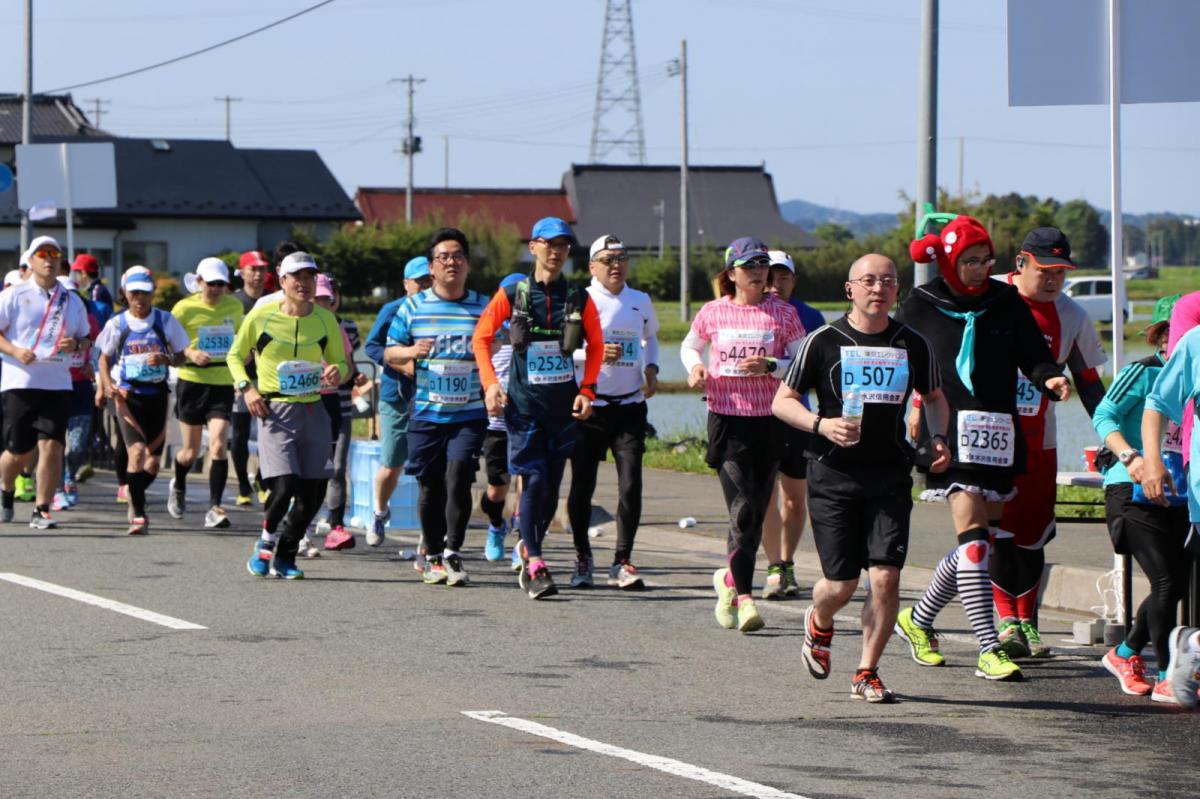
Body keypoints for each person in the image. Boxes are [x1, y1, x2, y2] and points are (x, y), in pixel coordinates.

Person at [893, 215, 1068, 682]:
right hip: (945, 430)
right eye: (969, 261)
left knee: (981, 547)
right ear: (949, 260)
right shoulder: (922, 302)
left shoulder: (1005, 300)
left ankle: (918, 619)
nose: (978, 269)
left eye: (985, 260)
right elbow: (895, 351)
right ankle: (988, 648)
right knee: (972, 540)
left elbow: (1031, 352)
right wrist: (910, 405)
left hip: (996, 430)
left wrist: (1048, 375)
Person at [773, 253, 949, 702]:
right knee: (840, 585)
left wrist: (940, 436)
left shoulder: (913, 343)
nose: (878, 288)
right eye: (868, 281)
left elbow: (933, 397)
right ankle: (820, 620)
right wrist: (820, 425)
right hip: (832, 473)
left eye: (888, 281)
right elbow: (783, 401)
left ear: (897, 290)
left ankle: (866, 671)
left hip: (889, 474)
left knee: (886, 578)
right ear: (849, 289)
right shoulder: (822, 341)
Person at [472, 216, 604, 600]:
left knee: (550, 487)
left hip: (562, 406)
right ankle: (535, 562)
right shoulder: (513, 293)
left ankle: (529, 545)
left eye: (563, 245)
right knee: (532, 480)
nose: (557, 251)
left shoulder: (580, 298)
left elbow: (595, 346)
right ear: (533, 247)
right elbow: (481, 339)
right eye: (550, 244)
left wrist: (589, 390)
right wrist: (491, 385)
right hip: (524, 405)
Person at [681, 236, 806, 632]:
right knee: (745, 510)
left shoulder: (782, 314)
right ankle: (748, 598)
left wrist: (772, 364)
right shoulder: (713, 312)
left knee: (756, 505)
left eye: (762, 265)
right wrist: (695, 369)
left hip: (770, 419)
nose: (757, 272)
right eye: (749, 266)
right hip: (727, 419)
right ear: (732, 272)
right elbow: (689, 346)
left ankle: (729, 581)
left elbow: (803, 362)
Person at [992, 228, 1107, 659]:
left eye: (1061, 271)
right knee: (998, 531)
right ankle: (1005, 621)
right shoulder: (990, 296)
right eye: (1045, 270)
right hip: (991, 438)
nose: (1054, 279)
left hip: (1042, 441)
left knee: (1034, 535)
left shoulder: (1072, 315)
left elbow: (1091, 385)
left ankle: (1027, 623)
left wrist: (1113, 439)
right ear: (1021, 263)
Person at [1092, 305, 1189, 703]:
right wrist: (1132, 458)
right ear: (1161, 336)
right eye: (1169, 332)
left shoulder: (1193, 373)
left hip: (1178, 493)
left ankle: (1125, 652)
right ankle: (1167, 673)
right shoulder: (1144, 371)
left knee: (1176, 583)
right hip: (1128, 490)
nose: (1176, 338)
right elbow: (1104, 414)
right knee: (1166, 581)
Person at [231, 252, 346, 580]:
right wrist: (247, 388)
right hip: (275, 410)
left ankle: (286, 554)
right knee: (284, 487)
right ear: (282, 282)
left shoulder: (325, 320)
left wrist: (338, 371)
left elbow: (341, 362)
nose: (304, 283)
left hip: (314, 410)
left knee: (313, 495)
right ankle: (265, 544)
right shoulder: (262, 316)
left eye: (310, 277)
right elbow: (235, 356)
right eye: (296, 277)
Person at [386, 228, 489, 586]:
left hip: (470, 411)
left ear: (467, 264)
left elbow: (504, 343)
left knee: (459, 476)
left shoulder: (483, 305)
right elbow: (389, 351)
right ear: (432, 267)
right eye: (444, 256)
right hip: (428, 412)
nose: (451, 262)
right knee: (430, 485)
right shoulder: (413, 306)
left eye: (458, 255)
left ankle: (453, 553)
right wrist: (412, 352)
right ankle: (431, 555)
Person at [565, 234, 659, 590]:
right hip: (591, 408)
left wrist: (652, 369)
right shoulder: (582, 299)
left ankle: (623, 560)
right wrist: (593, 353)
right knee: (582, 486)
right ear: (592, 267)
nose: (616, 265)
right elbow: (564, 348)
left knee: (631, 484)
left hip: (630, 406)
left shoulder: (640, 301)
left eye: (621, 258)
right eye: (607, 259)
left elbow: (651, 341)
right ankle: (582, 556)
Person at [0, 236, 92, 528]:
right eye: (43, 254)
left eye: (54, 254)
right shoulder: (13, 295)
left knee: (53, 445)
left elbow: (86, 338)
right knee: (19, 452)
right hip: (20, 382)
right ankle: (6, 487)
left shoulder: (71, 299)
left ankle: (42, 509)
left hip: (58, 382)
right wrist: (14, 350)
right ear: (31, 260)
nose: (49, 259)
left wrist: (75, 344)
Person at [96, 268, 189, 534]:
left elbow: (182, 356)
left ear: (152, 294)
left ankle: (134, 493)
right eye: (134, 293)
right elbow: (104, 358)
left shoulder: (165, 320)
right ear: (126, 294)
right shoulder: (117, 324)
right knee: (135, 453)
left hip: (157, 396)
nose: (140, 298)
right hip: (128, 397)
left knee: (152, 463)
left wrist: (167, 359)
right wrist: (108, 384)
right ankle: (138, 512)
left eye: (145, 293)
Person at [761, 249, 827, 599]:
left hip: (795, 416)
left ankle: (786, 563)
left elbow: (818, 371)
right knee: (765, 494)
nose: (775, 284)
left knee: (794, 497)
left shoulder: (810, 316)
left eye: (783, 276)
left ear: (794, 280)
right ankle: (774, 566)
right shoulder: (750, 311)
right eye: (770, 276)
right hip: (754, 415)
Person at [168, 257, 244, 529]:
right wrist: (189, 352)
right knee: (189, 452)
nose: (215, 289)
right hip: (192, 381)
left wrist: (240, 374)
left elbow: (241, 341)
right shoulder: (183, 309)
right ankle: (178, 484)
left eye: (220, 284)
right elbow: (170, 345)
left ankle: (215, 507)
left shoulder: (234, 307)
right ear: (198, 282)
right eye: (210, 283)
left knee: (219, 444)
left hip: (222, 381)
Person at [364, 256, 429, 549]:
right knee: (392, 464)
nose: (426, 285)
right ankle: (379, 511)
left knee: (431, 469)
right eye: (420, 281)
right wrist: (400, 365)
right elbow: (373, 347)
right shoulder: (392, 310)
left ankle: (430, 538)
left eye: (430, 279)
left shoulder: (439, 310)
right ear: (406, 284)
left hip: (432, 396)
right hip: (397, 395)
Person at [479, 273, 525, 565]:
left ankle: (523, 544)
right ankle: (496, 525)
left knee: (527, 484)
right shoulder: (491, 332)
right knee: (497, 490)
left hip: (527, 422)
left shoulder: (537, 331)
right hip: (495, 425)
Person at [320, 275, 367, 551]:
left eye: (328, 297)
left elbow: (350, 366)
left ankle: (336, 524)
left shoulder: (344, 327)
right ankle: (297, 523)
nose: (324, 303)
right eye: (318, 298)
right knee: (310, 468)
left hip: (340, 403)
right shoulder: (295, 327)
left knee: (337, 467)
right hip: (308, 404)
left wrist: (352, 376)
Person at [53, 275, 101, 510]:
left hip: (80, 385)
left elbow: (96, 346)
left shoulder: (89, 319)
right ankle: (60, 486)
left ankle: (69, 473)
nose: (70, 298)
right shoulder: (46, 321)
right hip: (52, 384)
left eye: (73, 294)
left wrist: (91, 363)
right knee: (54, 443)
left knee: (78, 445)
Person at [230, 249, 270, 506]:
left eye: (262, 269)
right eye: (253, 269)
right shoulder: (233, 302)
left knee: (268, 433)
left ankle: (263, 480)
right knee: (240, 433)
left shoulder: (272, 300)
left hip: (267, 377)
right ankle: (243, 485)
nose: (258, 274)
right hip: (240, 379)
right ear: (242, 272)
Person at [70, 253, 114, 328]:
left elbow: (96, 317)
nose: (76, 276)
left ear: (83, 273)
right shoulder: (97, 288)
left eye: (77, 272)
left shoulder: (96, 291)